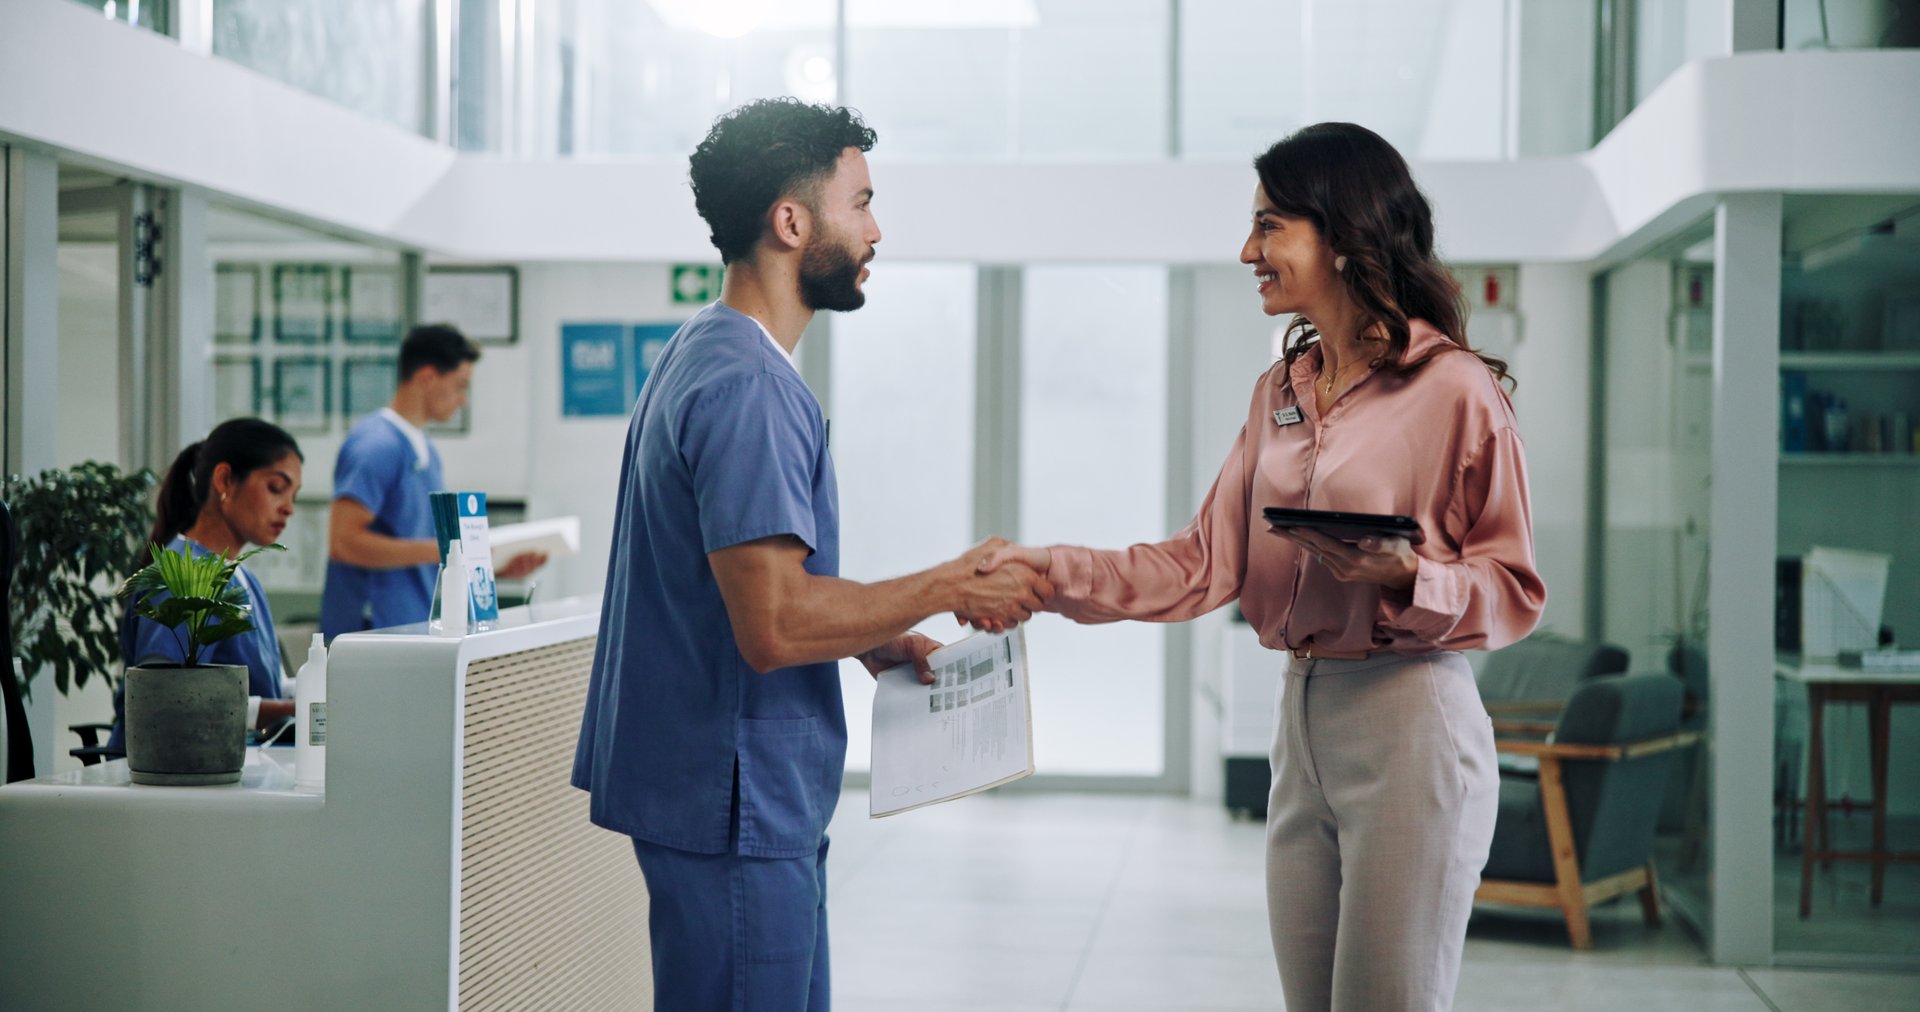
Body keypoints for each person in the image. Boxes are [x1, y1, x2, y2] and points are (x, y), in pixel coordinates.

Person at [978, 122, 1547, 1011]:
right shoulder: (1278, 392)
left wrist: (1409, 577)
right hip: (1302, 717)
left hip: (1409, 722)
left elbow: (1514, 588)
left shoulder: (1454, 389)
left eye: (1271, 225)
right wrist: (1045, 572)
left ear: (1346, 234)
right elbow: (1202, 563)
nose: (1249, 250)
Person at [571, 98, 1052, 1011]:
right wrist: (945, 585)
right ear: (792, 223)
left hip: (721, 793)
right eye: (861, 202)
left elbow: (743, 587)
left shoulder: (702, 351)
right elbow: (775, 623)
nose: (877, 230)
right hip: (732, 804)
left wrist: (872, 640)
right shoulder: (749, 385)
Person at [320, 323, 544, 638]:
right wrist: (443, 551)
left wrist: (495, 566)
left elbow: (421, 547)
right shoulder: (376, 446)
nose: (463, 399)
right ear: (427, 377)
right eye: (460, 385)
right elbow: (344, 543)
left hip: (410, 624)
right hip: (370, 631)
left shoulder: (424, 449)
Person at [110, 418, 306, 751]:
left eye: (293, 495)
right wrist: (289, 711)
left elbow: (260, 685)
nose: (288, 508)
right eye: (276, 488)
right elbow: (168, 700)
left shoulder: (243, 576)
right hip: (180, 772)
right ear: (225, 479)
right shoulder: (182, 575)